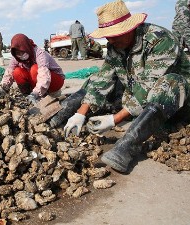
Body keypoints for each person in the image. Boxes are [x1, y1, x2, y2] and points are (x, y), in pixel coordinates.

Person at [49, 0, 190, 173]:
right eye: (108, 35)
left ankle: (128, 146)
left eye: (115, 34)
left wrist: (114, 119)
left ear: (129, 28)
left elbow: (148, 86)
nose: (110, 39)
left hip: (176, 104)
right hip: (138, 96)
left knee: (170, 83)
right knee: (94, 81)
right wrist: (81, 113)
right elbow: (103, 79)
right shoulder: (116, 46)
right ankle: (64, 114)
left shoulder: (159, 40)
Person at [1, 34, 65, 104]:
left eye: (22, 51)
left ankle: (39, 94)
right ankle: (27, 96)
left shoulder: (39, 53)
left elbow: (44, 75)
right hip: (37, 81)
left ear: (26, 47)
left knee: (34, 69)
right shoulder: (16, 57)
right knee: (17, 72)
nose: (20, 55)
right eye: (18, 53)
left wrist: (35, 94)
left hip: (54, 81)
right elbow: (9, 72)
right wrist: (4, 86)